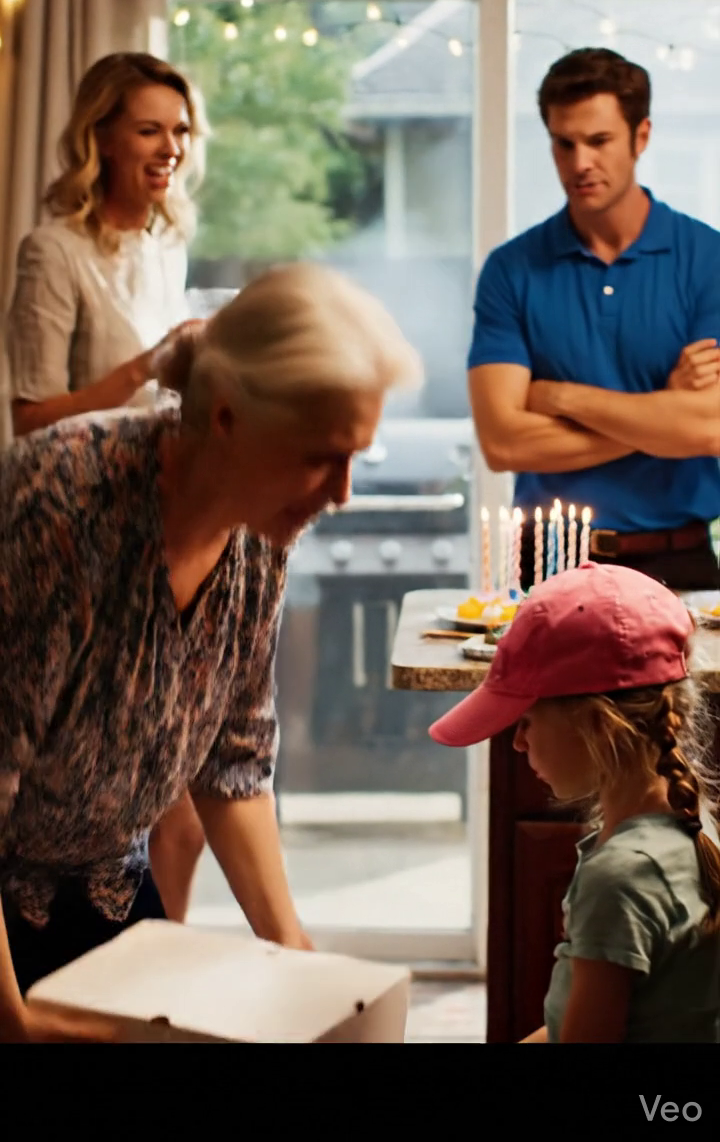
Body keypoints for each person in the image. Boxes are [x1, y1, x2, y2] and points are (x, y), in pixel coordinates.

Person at [0, 262, 423, 1042]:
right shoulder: (59, 507)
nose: (343, 493)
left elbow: (233, 764)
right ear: (225, 417)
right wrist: (15, 1024)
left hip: (111, 894)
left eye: (357, 456)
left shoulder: (261, 531)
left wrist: (295, 956)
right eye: (322, 455)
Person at [5, 52, 210, 924]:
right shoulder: (52, 251)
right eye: (149, 129)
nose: (171, 147)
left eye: (180, 129)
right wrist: (144, 367)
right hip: (78, 542)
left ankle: (156, 978)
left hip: (160, 534)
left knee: (185, 823)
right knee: (140, 817)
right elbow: (29, 416)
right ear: (100, 137)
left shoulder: (168, 241)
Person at [429, 562, 720, 1042]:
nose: (517, 743)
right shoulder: (691, 825)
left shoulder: (620, 879)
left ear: (597, 723)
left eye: (527, 719)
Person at [467, 47, 720, 593]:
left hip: (681, 562)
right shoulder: (512, 270)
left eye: (599, 141)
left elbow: (710, 426)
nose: (580, 162)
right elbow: (503, 443)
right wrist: (661, 414)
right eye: (564, 143)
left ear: (641, 136)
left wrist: (558, 397)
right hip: (551, 562)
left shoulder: (708, 259)